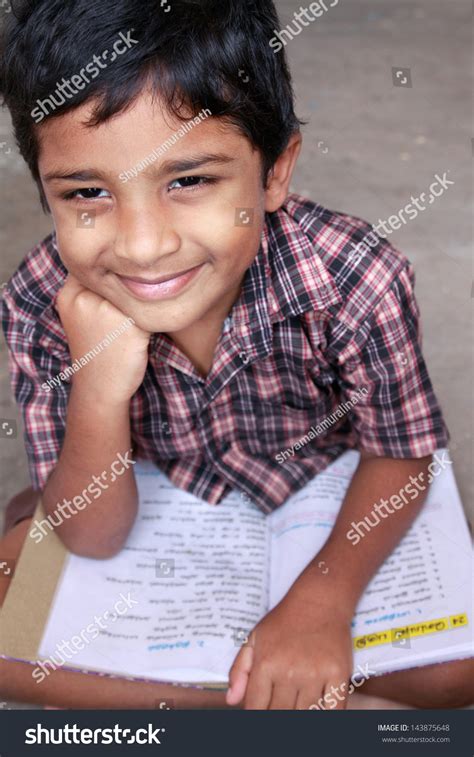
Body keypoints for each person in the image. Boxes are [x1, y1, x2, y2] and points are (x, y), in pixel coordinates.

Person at [0, 0, 472, 710]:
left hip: (325, 496)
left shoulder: (355, 277)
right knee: (11, 620)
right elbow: (92, 535)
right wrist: (98, 389)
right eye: (88, 193)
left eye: (187, 181)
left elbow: (402, 456)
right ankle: (252, 696)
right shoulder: (41, 301)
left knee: (456, 668)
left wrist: (323, 603)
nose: (142, 244)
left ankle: (225, 685)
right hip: (162, 506)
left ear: (274, 172)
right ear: (46, 191)